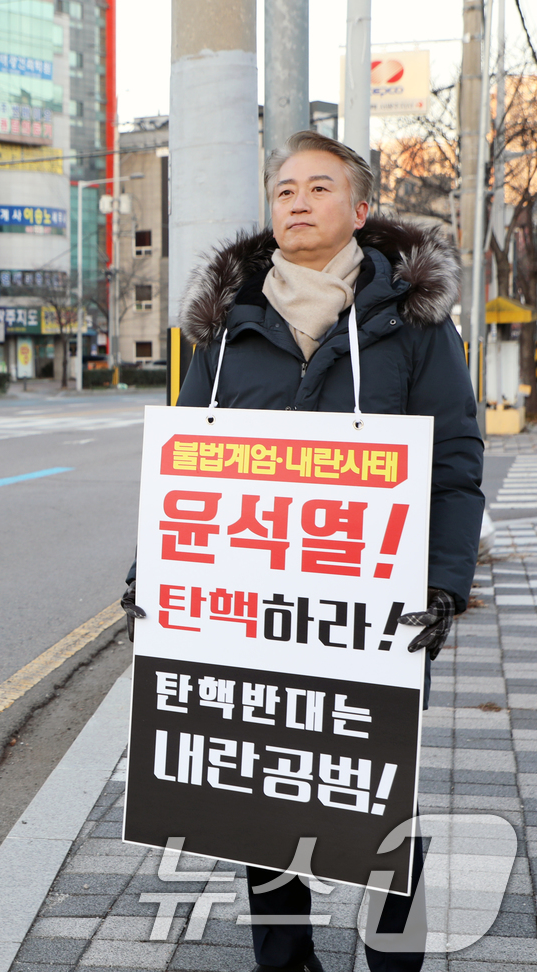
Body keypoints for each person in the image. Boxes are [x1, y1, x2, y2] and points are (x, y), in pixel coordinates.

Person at [122, 130, 484, 972]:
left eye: (319, 187)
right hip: (251, 610)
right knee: (259, 792)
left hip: (375, 612)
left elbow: (457, 466)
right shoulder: (224, 331)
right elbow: (185, 478)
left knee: (382, 796)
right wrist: (156, 577)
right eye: (284, 188)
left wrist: (443, 585)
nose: (297, 200)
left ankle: (396, 960)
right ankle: (284, 961)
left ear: (359, 210)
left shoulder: (414, 326)